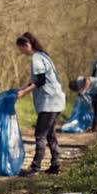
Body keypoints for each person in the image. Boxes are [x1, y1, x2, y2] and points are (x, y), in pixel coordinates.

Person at [15, 32, 65, 176]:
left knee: (40, 135)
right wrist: (22, 88)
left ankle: (35, 167)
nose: (20, 52)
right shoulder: (44, 56)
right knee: (50, 134)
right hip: (56, 100)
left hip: (49, 102)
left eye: (20, 48)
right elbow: (38, 80)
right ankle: (56, 165)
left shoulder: (36, 58)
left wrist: (24, 93)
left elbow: (41, 81)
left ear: (26, 45)